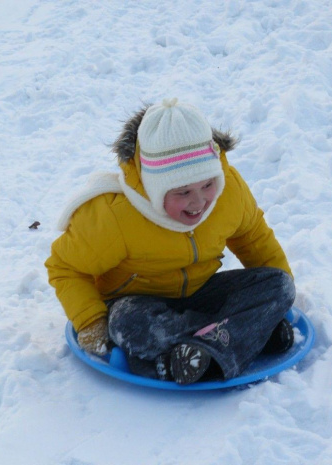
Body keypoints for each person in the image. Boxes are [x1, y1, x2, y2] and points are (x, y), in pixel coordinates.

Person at [45, 98, 295, 385]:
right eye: (183, 192)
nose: (199, 201)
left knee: (279, 284)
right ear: (154, 188)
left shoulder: (230, 192)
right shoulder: (115, 216)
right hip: (140, 304)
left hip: (201, 293)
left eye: (207, 185)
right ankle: (243, 335)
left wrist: (277, 301)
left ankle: (197, 351)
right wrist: (90, 322)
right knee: (128, 323)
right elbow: (66, 267)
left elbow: (253, 238)